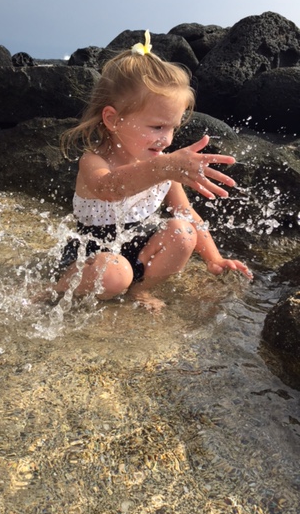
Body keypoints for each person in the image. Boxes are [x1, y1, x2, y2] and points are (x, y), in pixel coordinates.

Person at [55, 31, 252, 310]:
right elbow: (109, 188)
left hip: (138, 251)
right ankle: (52, 288)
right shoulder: (94, 161)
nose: (167, 139)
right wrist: (163, 167)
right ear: (112, 119)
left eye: (173, 128)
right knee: (115, 273)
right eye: (157, 127)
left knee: (182, 232)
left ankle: (141, 289)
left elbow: (187, 213)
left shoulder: (163, 166)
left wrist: (214, 258)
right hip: (92, 259)